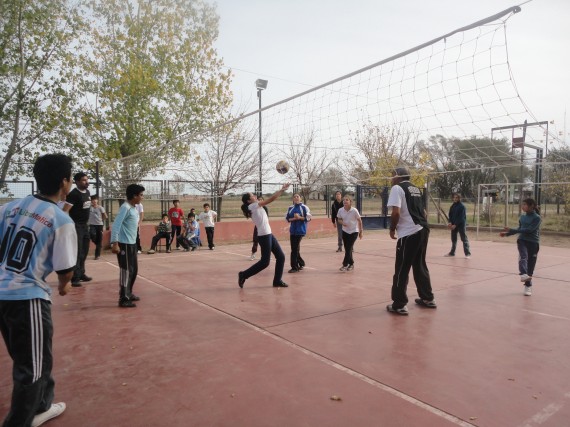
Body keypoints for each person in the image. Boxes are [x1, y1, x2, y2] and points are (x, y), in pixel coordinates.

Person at [0, 153, 77, 426]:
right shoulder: (61, 221)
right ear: (64, 182)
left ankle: (42, 406)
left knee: (34, 356)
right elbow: (66, 269)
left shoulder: (9, 207)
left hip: (3, 294)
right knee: (31, 370)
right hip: (27, 298)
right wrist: (64, 285)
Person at [386, 167, 436, 315]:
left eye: (392, 175)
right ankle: (428, 298)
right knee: (420, 265)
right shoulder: (415, 188)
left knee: (401, 268)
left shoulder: (397, 188)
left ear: (398, 176)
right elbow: (424, 212)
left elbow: (396, 212)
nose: (391, 178)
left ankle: (399, 304)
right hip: (423, 229)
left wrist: (392, 228)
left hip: (409, 233)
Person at [238, 184, 290, 288]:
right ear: (248, 201)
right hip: (264, 236)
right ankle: (244, 275)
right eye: (252, 195)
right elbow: (271, 199)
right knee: (265, 262)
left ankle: (277, 281)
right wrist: (282, 190)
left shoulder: (255, 205)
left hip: (269, 234)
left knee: (281, 257)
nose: (254, 195)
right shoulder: (252, 206)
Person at [110, 184, 145, 307]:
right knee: (126, 271)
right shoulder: (125, 207)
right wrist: (115, 243)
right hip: (123, 244)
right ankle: (123, 298)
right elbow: (116, 225)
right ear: (134, 196)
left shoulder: (134, 208)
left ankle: (128, 292)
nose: (142, 197)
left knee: (134, 270)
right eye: (141, 195)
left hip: (132, 244)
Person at [499, 198, 541, 296]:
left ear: (531, 206)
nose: (523, 206)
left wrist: (511, 229)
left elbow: (529, 230)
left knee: (531, 265)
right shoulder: (522, 217)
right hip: (522, 240)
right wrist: (507, 234)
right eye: (522, 204)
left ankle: (528, 285)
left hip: (533, 243)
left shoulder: (537, 218)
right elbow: (520, 229)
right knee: (523, 256)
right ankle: (523, 274)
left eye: (525, 204)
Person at [66, 171, 92, 287]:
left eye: (87, 179)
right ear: (77, 182)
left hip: (85, 226)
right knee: (77, 252)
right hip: (76, 226)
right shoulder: (73, 194)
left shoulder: (87, 192)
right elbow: (65, 210)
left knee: (84, 251)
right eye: (83, 180)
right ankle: (74, 278)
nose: (87, 182)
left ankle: (81, 273)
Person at [336, 195, 363, 271]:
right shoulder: (340, 210)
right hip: (345, 231)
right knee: (348, 248)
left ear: (350, 202)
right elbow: (339, 219)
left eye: (347, 200)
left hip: (354, 231)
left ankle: (345, 265)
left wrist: (361, 232)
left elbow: (360, 221)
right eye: (344, 200)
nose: (345, 201)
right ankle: (351, 264)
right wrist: (342, 223)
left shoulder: (354, 210)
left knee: (348, 248)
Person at [286, 193, 312, 273]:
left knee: (294, 249)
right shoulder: (290, 208)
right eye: (294, 197)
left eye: (298, 196)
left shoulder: (304, 207)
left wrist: (300, 217)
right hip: (292, 231)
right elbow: (287, 219)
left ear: (300, 198)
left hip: (300, 231)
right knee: (295, 248)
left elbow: (308, 218)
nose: (296, 198)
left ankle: (294, 267)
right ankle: (301, 263)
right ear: (293, 199)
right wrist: (294, 218)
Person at [445, 193, 471, 258]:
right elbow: (450, 215)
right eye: (454, 197)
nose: (455, 199)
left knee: (464, 239)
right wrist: (450, 222)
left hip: (461, 225)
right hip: (453, 225)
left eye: (457, 198)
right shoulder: (452, 206)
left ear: (459, 198)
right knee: (453, 239)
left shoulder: (462, 206)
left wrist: (455, 225)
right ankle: (452, 253)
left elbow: (461, 217)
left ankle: (467, 254)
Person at [88, 195, 107, 260]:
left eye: (95, 199)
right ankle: (98, 243)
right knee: (92, 234)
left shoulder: (100, 208)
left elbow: (105, 216)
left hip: (99, 225)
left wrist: (101, 220)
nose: (94, 201)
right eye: (92, 200)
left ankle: (97, 255)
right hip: (92, 224)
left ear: (97, 200)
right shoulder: (89, 208)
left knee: (99, 238)